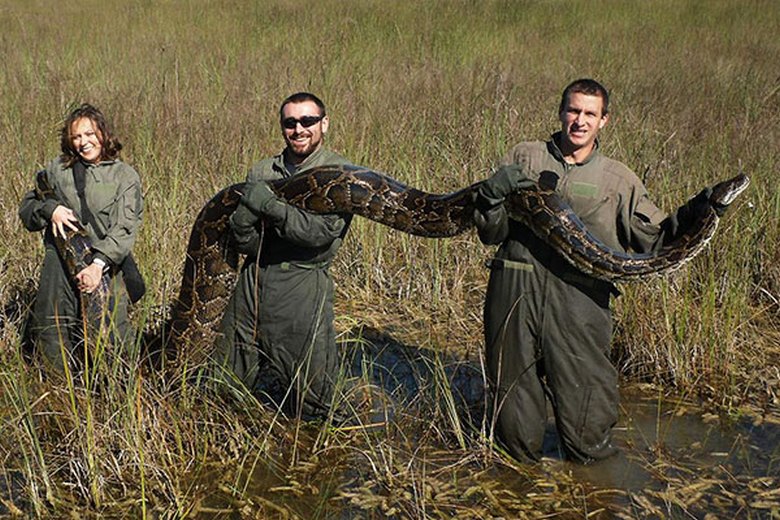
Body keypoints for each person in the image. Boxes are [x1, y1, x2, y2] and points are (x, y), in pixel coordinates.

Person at [474, 79, 722, 463]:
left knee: (587, 423)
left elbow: (656, 242)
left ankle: (590, 491)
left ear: (604, 121)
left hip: (579, 302)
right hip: (514, 290)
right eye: (574, 111)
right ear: (560, 112)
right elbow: (492, 232)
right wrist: (489, 197)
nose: (580, 121)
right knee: (513, 416)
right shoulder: (524, 157)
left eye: (590, 113)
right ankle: (519, 491)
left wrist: (700, 212)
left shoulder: (617, 180)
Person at [215, 92, 352, 420]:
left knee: (313, 396)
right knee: (227, 376)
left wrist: (271, 207)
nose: (299, 129)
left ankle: (315, 458)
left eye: (308, 121)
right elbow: (247, 243)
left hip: (301, 281)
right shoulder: (263, 170)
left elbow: (318, 234)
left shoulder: (340, 173)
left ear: (324, 124)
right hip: (253, 278)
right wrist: (243, 227)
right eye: (290, 123)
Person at [19, 103, 144, 372]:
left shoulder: (124, 176)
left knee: (113, 339)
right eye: (76, 137)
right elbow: (27, 210)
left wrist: (98, 266)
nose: (83, 142)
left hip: (106, 264)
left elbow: (124, 228)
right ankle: (59, 395)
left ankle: (117, 399)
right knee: (53, 329)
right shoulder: (57, 170)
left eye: (89, 134)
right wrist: (50, 209)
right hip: (59, 262)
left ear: (103, 132)